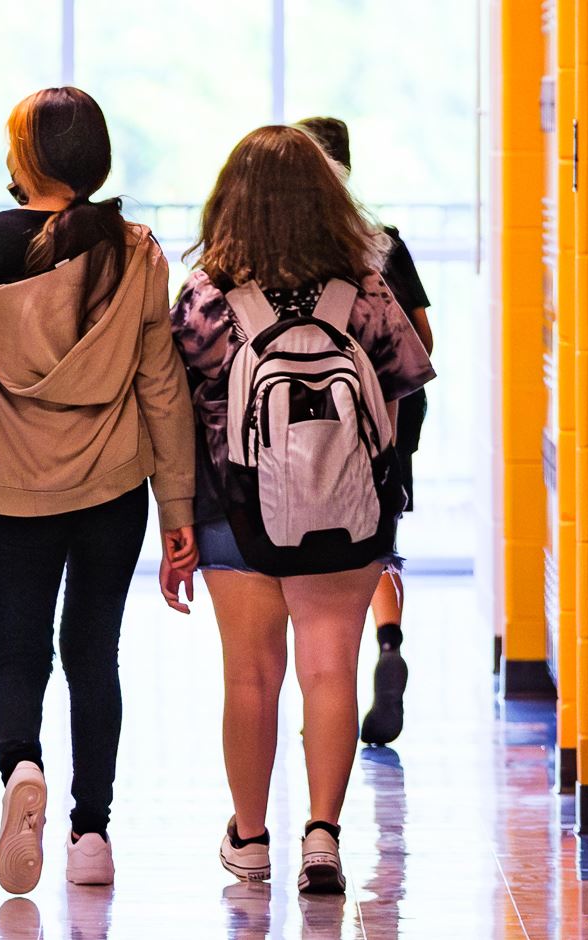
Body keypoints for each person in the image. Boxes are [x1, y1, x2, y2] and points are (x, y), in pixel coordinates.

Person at [0, 87, 197, 894]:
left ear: (27, 157)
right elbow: (161, 384)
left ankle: (20, 765)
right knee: (93, 653)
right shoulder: (135, 251)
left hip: (10, 485)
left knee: (15, 645)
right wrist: (178, 510)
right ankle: (91, 831)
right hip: (111, 486)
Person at [166, 125, 435, 894]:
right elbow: (405, 381)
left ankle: (249, 839)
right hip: (347, 510)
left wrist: (177, 518)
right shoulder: (367, 287)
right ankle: (323, 834)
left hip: (232, 507)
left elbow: (174, 404)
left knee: (249, 676)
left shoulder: (207, 296)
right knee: (328, 669)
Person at [296, 115, 435, 747]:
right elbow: (422, 341)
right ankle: (389, 642)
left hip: (313, 423)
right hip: (390, 415)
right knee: (379, 536)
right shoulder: (382, 241)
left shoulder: (290, 252)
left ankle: (328, 694)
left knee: (319, 549)